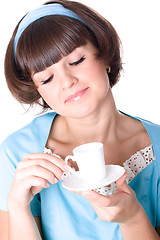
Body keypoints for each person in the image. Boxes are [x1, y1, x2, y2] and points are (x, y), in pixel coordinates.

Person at [0, 0, 160, 239]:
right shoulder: (18, 153)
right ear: (38, 91)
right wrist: (18, 207)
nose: (67, 81)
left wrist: (133, 217)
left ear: (104, 54)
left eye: (76, 61)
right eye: (46, 79)